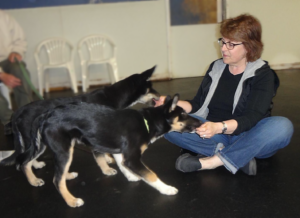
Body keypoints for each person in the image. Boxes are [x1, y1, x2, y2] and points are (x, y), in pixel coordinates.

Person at [155, 14, 294, 176]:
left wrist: (219, 126)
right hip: (213, 134)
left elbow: (252, 117)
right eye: (223, 41)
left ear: (249, 47)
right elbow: (198, 104)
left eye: (231, 44)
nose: (223, 48)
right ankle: (238, 157)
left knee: (282, 126)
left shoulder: (263, 75)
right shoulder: (216, 67)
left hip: (249, 135)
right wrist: (172, 104)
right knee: (164, 119)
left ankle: (212, 162)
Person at [0, 9, 33, 126]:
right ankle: (9, 122)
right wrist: (1, 75)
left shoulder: (4, 16)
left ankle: (27, 116)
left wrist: (16, 51)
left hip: (6, 59)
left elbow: (20, 39)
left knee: (20, 71)